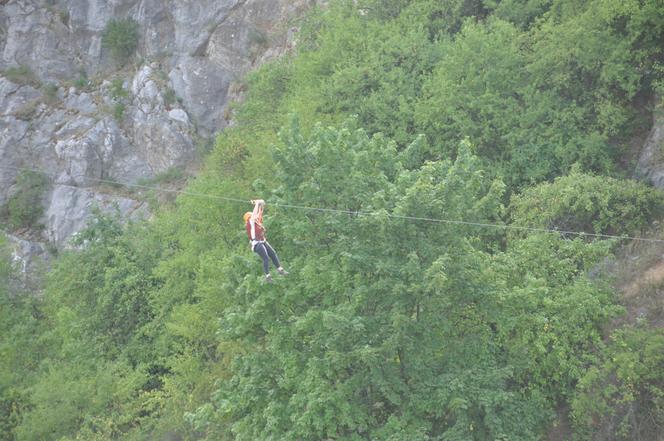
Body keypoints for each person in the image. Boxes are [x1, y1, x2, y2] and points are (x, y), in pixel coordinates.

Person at [244, 199, 288, 282]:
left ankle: (280, 269)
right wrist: (257, 204)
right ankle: (267, 275)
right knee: (266, 258)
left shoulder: (257, 222)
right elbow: (254, 215)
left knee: (273, 253)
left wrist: (260, 204)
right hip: (257, 244)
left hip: (262, 241)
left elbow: (259, 214)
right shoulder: (250, 222)